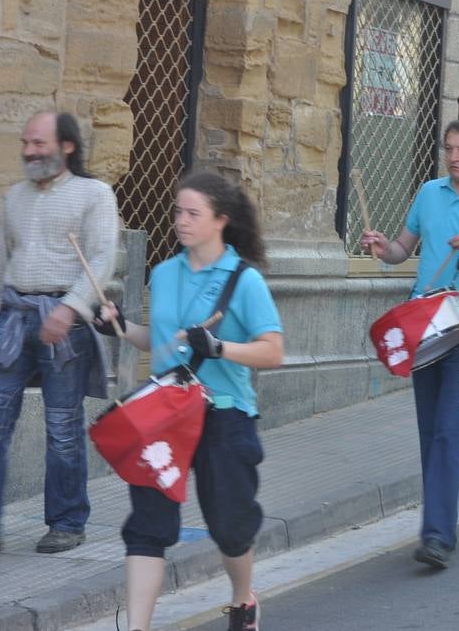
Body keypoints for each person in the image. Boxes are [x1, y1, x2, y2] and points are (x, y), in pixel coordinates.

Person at [97, 171, 283, 631]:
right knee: (147, 527)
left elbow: (273, 351)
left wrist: (219, 348)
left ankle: (243, 600)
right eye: (178, 211)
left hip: (224, 413)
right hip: (162, 416)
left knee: (229, 526)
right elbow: (161, 344)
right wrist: (120, 327)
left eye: (192, 213)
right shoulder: (163, 274)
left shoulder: (245, 281)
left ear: (220, 220)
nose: (180, 220)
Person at [360, 119, 459, 568]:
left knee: (450, 429)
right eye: (449, 149)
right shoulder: (429, 193)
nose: (454, 157)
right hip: (424, 318)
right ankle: (437, 525)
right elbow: (401, 250)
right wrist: (380, 247)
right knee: (429, 430)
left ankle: (437, 536)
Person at [0, 112, 118, 559]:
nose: (29, 151)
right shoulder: (14, 196)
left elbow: (103, 258)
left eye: (38, 142)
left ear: (67, 146)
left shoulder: (95, 194)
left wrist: (70, 307)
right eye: (25, 143)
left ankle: (68, 523)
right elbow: (1, 265)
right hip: (14, 320)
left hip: (64, 324)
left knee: (63, 428)